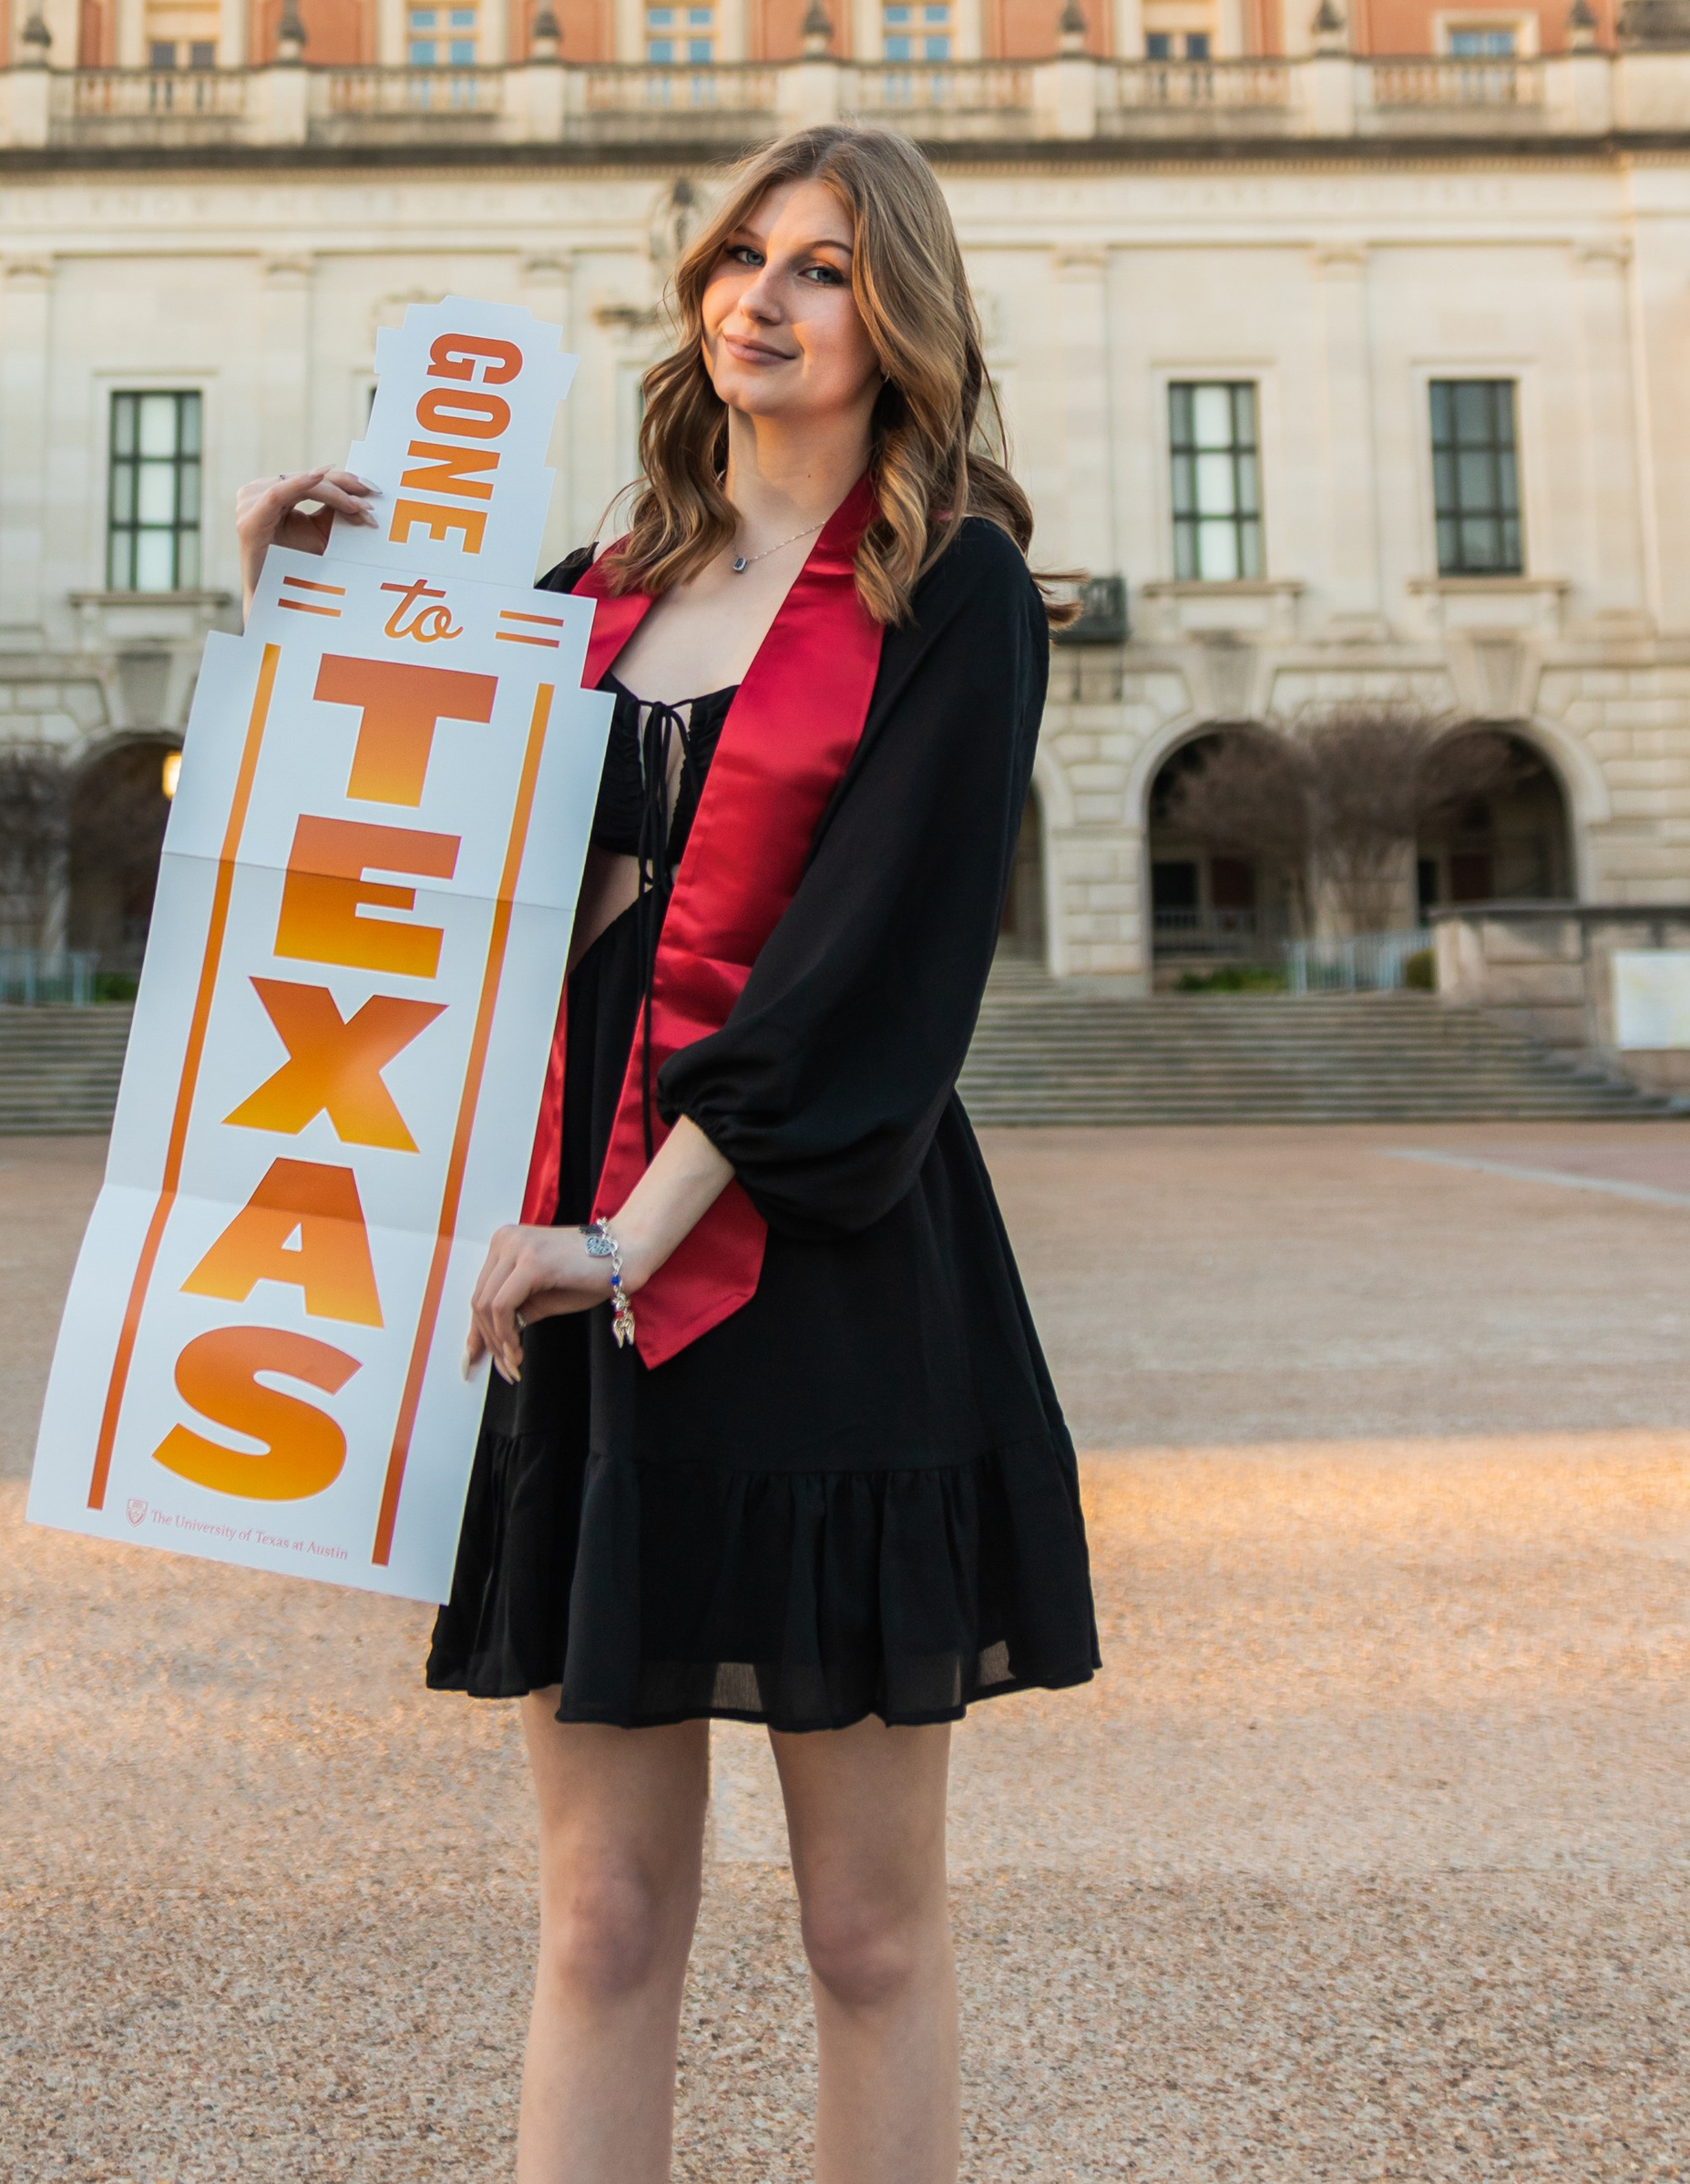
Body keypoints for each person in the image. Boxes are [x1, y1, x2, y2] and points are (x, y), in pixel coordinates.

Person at [235, 122, 1098, 2184]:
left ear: (897, 313)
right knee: (602, 1918)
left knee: (865, 1934)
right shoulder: (592, 597)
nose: (761, 298)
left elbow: (870, 964)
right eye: (737, 257)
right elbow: (390, 880)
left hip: (817, 1264)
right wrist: (282, 608)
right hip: (571, 1266)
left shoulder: (949, 583)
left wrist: (631, 1237)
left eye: (818, 267)